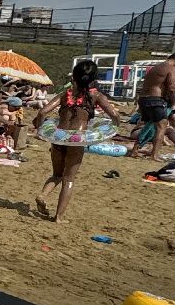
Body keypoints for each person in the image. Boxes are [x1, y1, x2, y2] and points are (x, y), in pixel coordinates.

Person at [30, 58, 121, 222]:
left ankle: (43, 195)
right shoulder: (96, 96)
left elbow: (43, 112)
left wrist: (39, 130)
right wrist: (116, 126)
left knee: (57, 174)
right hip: (76, 141)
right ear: (92, 79)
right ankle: (59, 217)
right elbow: (113, 115)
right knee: (68, 179)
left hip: (58, 138)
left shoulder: (65, 94)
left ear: (74, 77)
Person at [135, 51, 175, 158]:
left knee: (147, 126)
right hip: (156, 99)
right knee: (162, 126)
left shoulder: (156, 67)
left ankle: (135, 150)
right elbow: (172, 87)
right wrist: (172, 101)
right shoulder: (171, 68)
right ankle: (154, 155)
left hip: (144, 98)